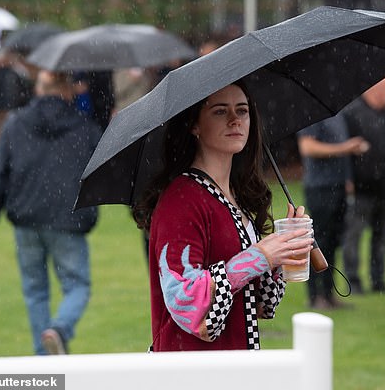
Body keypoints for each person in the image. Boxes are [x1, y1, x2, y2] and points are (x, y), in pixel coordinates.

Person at [132, 80, 313, 351]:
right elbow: (184, 299)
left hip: (234, 364)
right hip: (194, 370)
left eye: (242, 111)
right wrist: (259, 256)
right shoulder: (181, 200)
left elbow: (259, 306)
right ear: (194, 125)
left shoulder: (234, 197)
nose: (234, 120)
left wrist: (282, 250)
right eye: (220, 111)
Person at [0, 69, 102, 355]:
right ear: (67, 90)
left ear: (39, 89)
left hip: (27, 218)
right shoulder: (84, 127)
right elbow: (102, 170)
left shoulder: (15, 124)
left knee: (35, 290)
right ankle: (58, 329)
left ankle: (44, 355)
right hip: (68, 220)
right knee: (77, 285)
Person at [297, 115, 369, 308]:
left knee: (333, 242)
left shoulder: (338, 115)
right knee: (316, 242)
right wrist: (346, 148)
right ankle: (314, 297)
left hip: (337, 187)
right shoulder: (312, 115)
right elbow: (307, 147)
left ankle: (328, 294)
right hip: (320, 188)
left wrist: (347, 180)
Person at [341, 75, 385, 294]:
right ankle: (354, 280)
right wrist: (348, 180)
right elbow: (345, 151)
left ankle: (379, 280)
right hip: (361, 189)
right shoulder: (353, 114)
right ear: (374, 88)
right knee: (354, 236)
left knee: (382, 237)